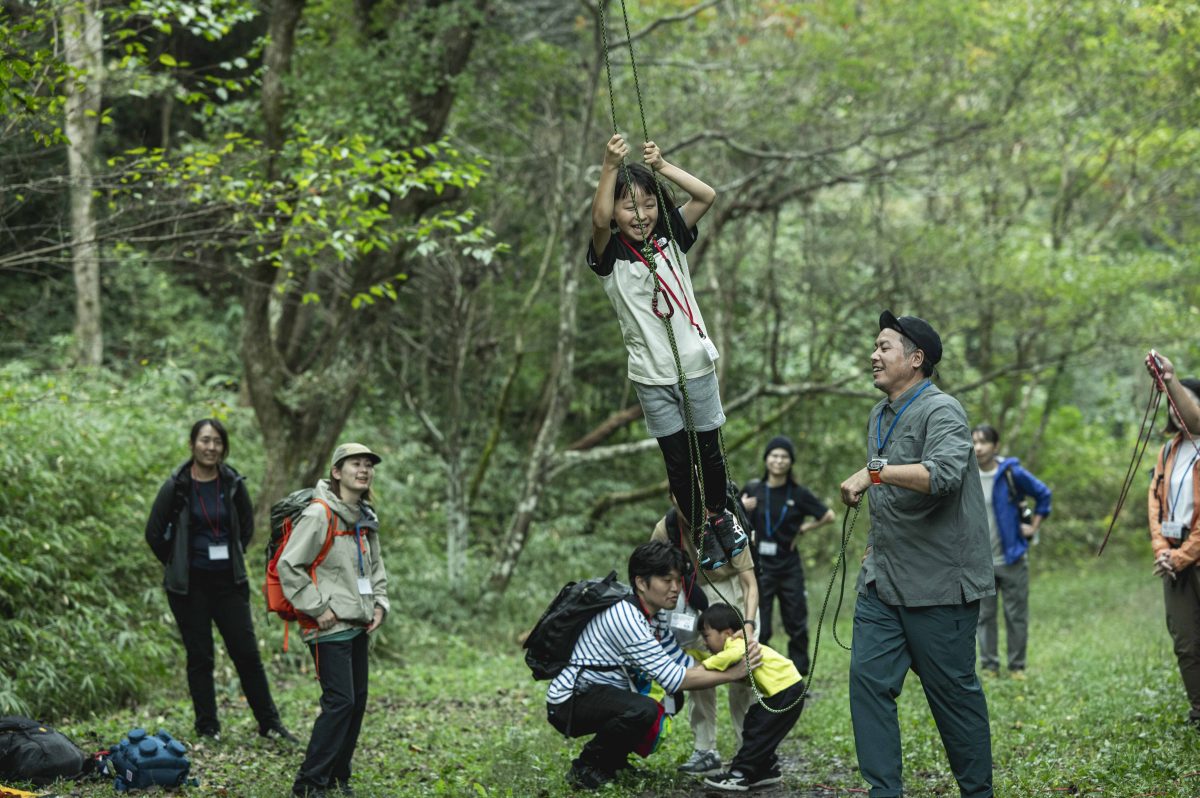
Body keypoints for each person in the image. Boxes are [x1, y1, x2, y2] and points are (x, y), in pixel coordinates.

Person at [839, 311, 995, 798]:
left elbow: (943, 476)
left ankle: (978, 793)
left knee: (953, 698)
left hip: (940, 586)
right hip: (883, 582)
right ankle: (884, 792)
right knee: (868, 685)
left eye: (885, 347)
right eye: (875, 346)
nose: (874, 355)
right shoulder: (878, 415)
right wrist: (872, 546)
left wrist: (876, 471)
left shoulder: (942, 410)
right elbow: (890, 500)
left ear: (916, 359)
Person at [588, 133, 747, 571]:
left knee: (709, 452)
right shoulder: (611, 255)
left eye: (648, 204)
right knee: (678, 462)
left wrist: (661, 166)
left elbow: (706, 194)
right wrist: (608, 166)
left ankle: (720, 515)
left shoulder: (671, 236)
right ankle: (699, 530)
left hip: (694, 364)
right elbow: (600, 220)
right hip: (651, 375)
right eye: (629, 206)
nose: (640, 215)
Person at [545, 541, 760, 791]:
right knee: (643, 710)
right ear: (640, 583)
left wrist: (732, 663)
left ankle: (614, 761)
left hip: (603, 693)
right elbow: (674, 678)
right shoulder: (626, 617)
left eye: (678, 581)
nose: (675, 589)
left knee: (670, 700)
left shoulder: (653, 615)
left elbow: (679, 661)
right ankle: (587, 767)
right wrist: (734, 672)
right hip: (570, 699)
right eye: (666, 580)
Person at [144, 418, 296, 744]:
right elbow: (154, 533)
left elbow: (246, 528)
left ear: (223, 447)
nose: (211, 447)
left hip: (229, 585)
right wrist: (177, 562)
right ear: (192, 445)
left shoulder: (232, 483)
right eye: (205, 440)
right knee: (201, 657)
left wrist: (230, 557)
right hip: (189, 588)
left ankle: (269, 723)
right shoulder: (178, 485)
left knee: (247, 654)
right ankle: (208, 727)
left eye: (217, 442)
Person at [279, 443, 389, 798]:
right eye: (355, 464)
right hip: (328, 627)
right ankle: (310, 783)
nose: (364, 469)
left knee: (355, 701)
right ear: (337, 472)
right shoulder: (319, 514)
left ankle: (339, 774)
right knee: (340, 702)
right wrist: (316, 606)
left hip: (357, 621)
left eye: (368, 465)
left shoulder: (365, 516)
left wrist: (380, 605)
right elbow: (288, 565)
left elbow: (375, 568)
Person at [652, 494, 759, 776]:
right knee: (697, 670)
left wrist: (747, 623)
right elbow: (653, 570)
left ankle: (748, 752)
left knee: (744, 676)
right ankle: (704, 750)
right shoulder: (668, 527)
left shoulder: (726, 520)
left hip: (734, 594)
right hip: (692, 600)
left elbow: (750, 581)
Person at [740, 435, 835, 675]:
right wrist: (741, 507)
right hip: (760, 567)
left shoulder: (798, 493)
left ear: (790, 462)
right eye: (774, 455)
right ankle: (764, 675)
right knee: (763, 623)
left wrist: (805, 528)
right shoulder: (753, 489)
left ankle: (798, 676)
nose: (779, 461)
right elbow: (731, 515)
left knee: (796, 622)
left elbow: (828, 515)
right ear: (766, 459)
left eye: (784, 457)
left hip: (789, 566)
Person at [1143, 357, 1200, 731]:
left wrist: (1181, 557)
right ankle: (1199, 710)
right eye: (1172, 400)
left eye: (1185, 400)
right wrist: (1162, 550)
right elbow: (1155, 502)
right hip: (1173, 554)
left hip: (1191, 552)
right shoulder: (1168, 451)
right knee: (1185, 640)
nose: (1176, 407)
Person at [970, 424, 1052, 679]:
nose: (979, 447)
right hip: (980, 561)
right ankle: (989, 666)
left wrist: (1033, 527)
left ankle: (1017, 667)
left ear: (996, 446)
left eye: (984, 442)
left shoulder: (1010, 473)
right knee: (984, 616)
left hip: (1012, 557)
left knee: (1016, 616)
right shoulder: (966, 474)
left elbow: (1043, 494)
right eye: (974, 442)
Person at [697, 603, 804, 791]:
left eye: (706, 636)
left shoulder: (738, 644)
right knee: (754, 722)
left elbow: (727, 656)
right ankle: (766, 769)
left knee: (759, 731)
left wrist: (700, 669)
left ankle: (739, 774)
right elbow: (721, 657)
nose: (705, 642)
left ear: (727, 633)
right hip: (784, 690)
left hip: (786, 690)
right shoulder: (733, 645)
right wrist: (691, 655)